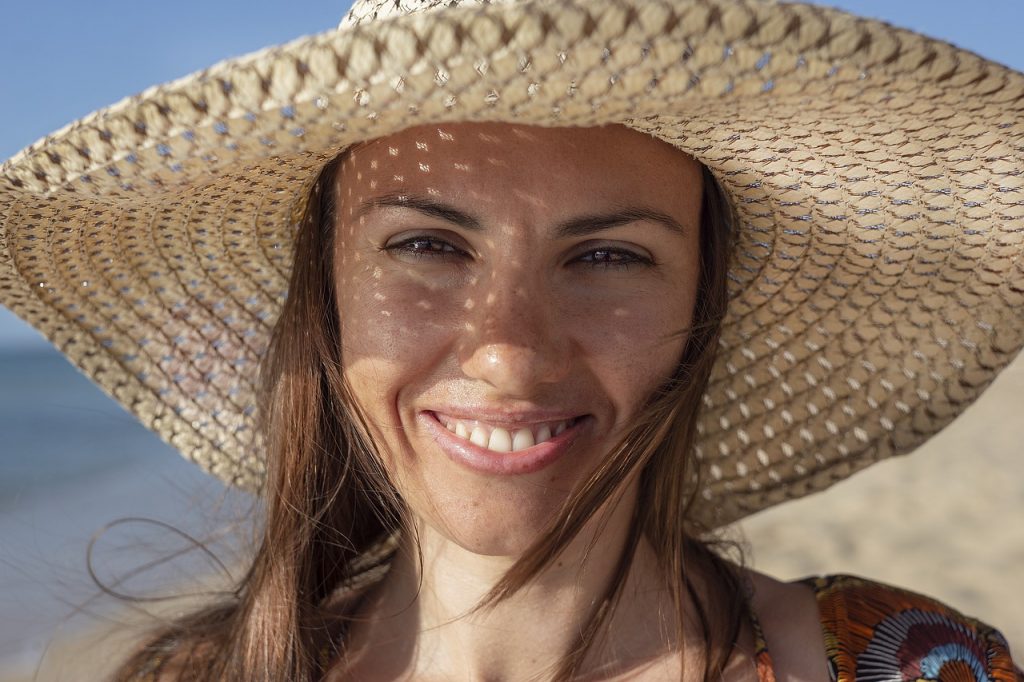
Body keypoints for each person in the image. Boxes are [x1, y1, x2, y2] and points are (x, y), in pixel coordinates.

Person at [0, 0, 1020, 680]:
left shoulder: (907, 662)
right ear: (328, 294)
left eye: (611, 257)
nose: (509, 352)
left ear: (702, 306)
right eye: (428, 244)